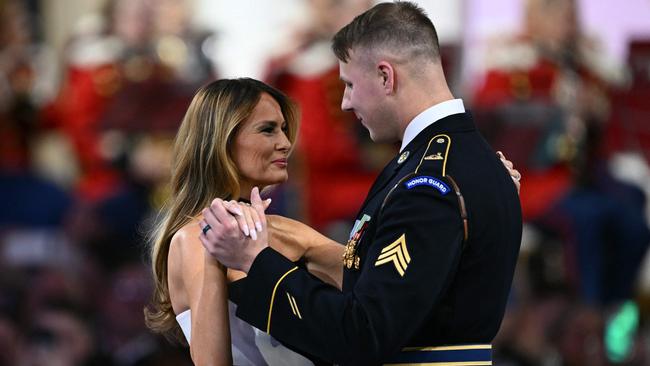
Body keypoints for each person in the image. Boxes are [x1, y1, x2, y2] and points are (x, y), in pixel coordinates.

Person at [200, 2, 522, 365]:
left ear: (386, 76)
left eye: (351, 84)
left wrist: (254, 260)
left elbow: (362, 334)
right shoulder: (471, 163)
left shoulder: (429, 185)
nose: (347, 102)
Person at [144, 78, 346, 365]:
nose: (285, 143)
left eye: (285, 130)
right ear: (222, 139)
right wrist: (218, 252)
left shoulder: (292, 231)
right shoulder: (191, 239)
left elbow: (371, 296)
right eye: (268, 130)